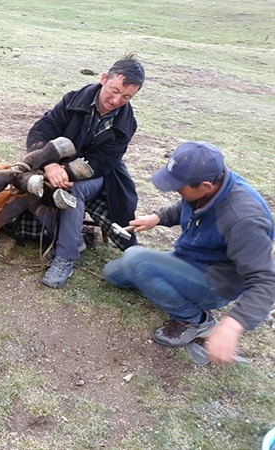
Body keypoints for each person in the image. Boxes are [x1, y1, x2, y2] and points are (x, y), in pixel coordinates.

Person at [103, 141, 275, 365]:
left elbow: (265, 282)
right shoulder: (210, 185)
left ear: (205, 185)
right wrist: (159, 217)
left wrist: (232, 325)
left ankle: (197, 321)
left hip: (214, 282)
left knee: (136, 260)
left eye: (179, 185)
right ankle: (159, 282)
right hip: (189, 259)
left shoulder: (244, 219)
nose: (174, 189)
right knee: (113, 273)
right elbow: (187, 203)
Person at [24, 53, 145, 288]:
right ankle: (73, 238)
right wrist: (48, 164)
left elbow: (102, 163)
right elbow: (40, 131)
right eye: (114, 90)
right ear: (103, 79)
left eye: (127, 97)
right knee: (27, 181)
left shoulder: (127, 124)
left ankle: (65, 258)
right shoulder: (72, 101)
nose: (117, 100)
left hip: (101, 176)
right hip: (55, 164)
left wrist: (64, 172)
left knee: (74, 190)